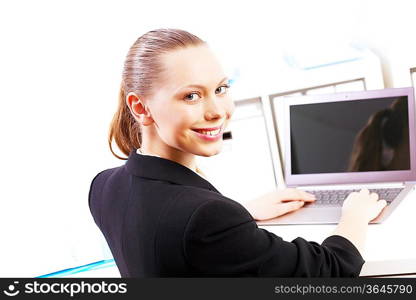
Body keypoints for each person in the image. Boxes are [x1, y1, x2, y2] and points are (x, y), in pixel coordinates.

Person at [88, 28, 387, 277]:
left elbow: (169, 237)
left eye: (220, 88)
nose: (217, 112)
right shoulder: (205, 218)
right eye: (191, 96)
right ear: (141, 108)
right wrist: (354, 216)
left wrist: (242, 213)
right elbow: (330, 272)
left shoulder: (102, 188)